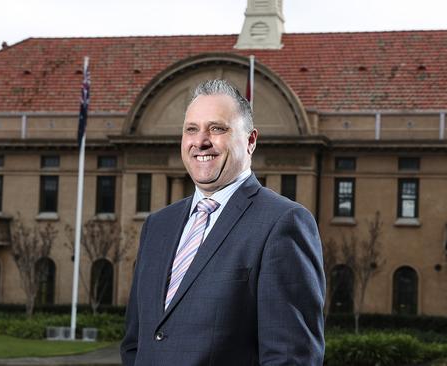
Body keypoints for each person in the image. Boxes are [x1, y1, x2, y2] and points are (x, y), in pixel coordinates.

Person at [121, 79, 326, 365]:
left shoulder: (282, 224)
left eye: (217, 128)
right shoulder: (158, 226)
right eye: (191, 129)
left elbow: (291, 357)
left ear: (251, 141)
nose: (201, 140)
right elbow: (136, 344)